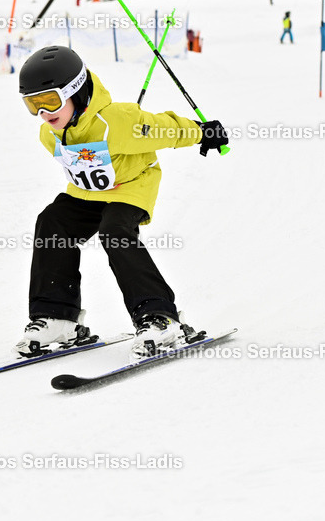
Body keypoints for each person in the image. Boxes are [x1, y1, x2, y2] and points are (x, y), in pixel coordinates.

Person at [14, 46, 228, 359]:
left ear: (77, 92)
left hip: (130, 187)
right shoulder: (50, 135)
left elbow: (163, 129)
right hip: (86, 194)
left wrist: (202, 132)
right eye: (32, 104)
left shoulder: (118, 121)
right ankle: (58, 317)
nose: (43, 113)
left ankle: (160, 317)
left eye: (50, 101)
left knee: (114, 231)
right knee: (52, 221)